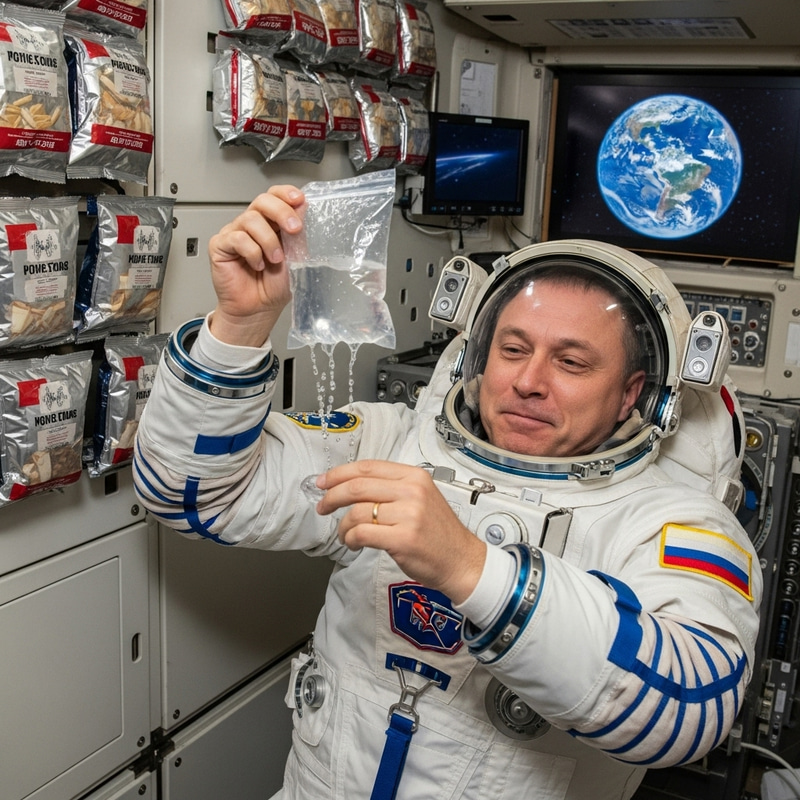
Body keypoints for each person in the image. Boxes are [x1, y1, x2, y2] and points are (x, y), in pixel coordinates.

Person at [133, 185, 761, 800]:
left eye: (571, 363)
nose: (528, 382)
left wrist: (472, 568)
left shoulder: (673, 524)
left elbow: (690, 707)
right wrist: (239, 328)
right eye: (512, 350)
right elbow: (190, 495)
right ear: (477, 360)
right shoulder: (391, 446)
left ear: (632, 393)